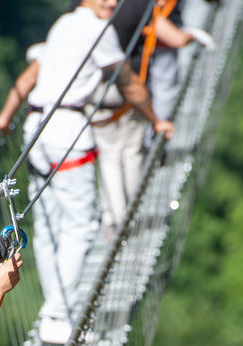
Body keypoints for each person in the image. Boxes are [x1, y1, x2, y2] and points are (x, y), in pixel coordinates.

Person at [0, 0, 173, 345]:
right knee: (80, 227)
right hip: (67, 132)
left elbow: (29, 76)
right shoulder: (99, 30)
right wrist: (157, 121)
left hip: (35, 130)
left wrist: (5, 116)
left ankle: (53, 312)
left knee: (51, 225)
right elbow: (130, 84)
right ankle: (57, 315)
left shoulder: (63, 25)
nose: (112, 3)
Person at [92, 0, 213, 236]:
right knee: (132, 155)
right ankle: (129, 218)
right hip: (131, 94)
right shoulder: (139, 6)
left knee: (108, 158)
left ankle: (113, 219)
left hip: (95, 99)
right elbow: (175, 38)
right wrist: (194, 35)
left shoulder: (86, 12)